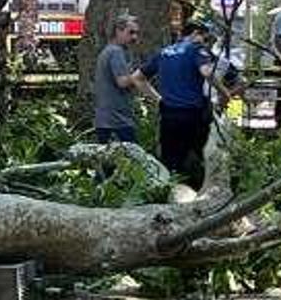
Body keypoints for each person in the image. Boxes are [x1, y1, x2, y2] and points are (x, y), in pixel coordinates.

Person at [139, 21, 231, 190]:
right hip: (192, 116)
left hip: (168, 114)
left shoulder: (164, 52)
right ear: (195, 33)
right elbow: (207, 72)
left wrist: (158, 99)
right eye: (204, 38)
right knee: (196, 158)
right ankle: (195, 196)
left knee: (169, 160)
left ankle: (168, 193)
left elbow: (137, 78)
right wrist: (225, 93)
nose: (205, 42)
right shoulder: (196, 50)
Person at [93, 14, 156, 143]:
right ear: (118, 31)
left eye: (137, 33)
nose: (135, 37)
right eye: (131, 32)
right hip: (116, 122)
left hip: (106, 120)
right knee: (131, 161)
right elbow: (122, 82)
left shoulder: (108, 51)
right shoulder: (116, 52)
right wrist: (142, 74)